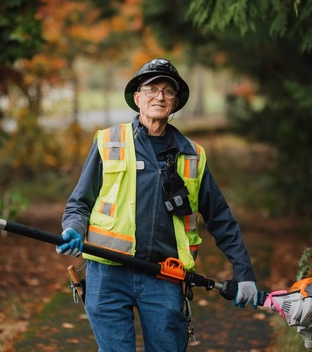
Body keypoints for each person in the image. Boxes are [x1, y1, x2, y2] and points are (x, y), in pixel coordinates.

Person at [56, 58, 258, 351]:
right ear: (138, 98)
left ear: (175, 102)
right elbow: (79, 203)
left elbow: (221, 218)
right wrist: (73, 228)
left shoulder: (192, 156)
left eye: (167, 91)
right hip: (108, 273)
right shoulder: (109, 141)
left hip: (164, 275)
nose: (159, 96)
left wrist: (244, 272)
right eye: (151, 89)